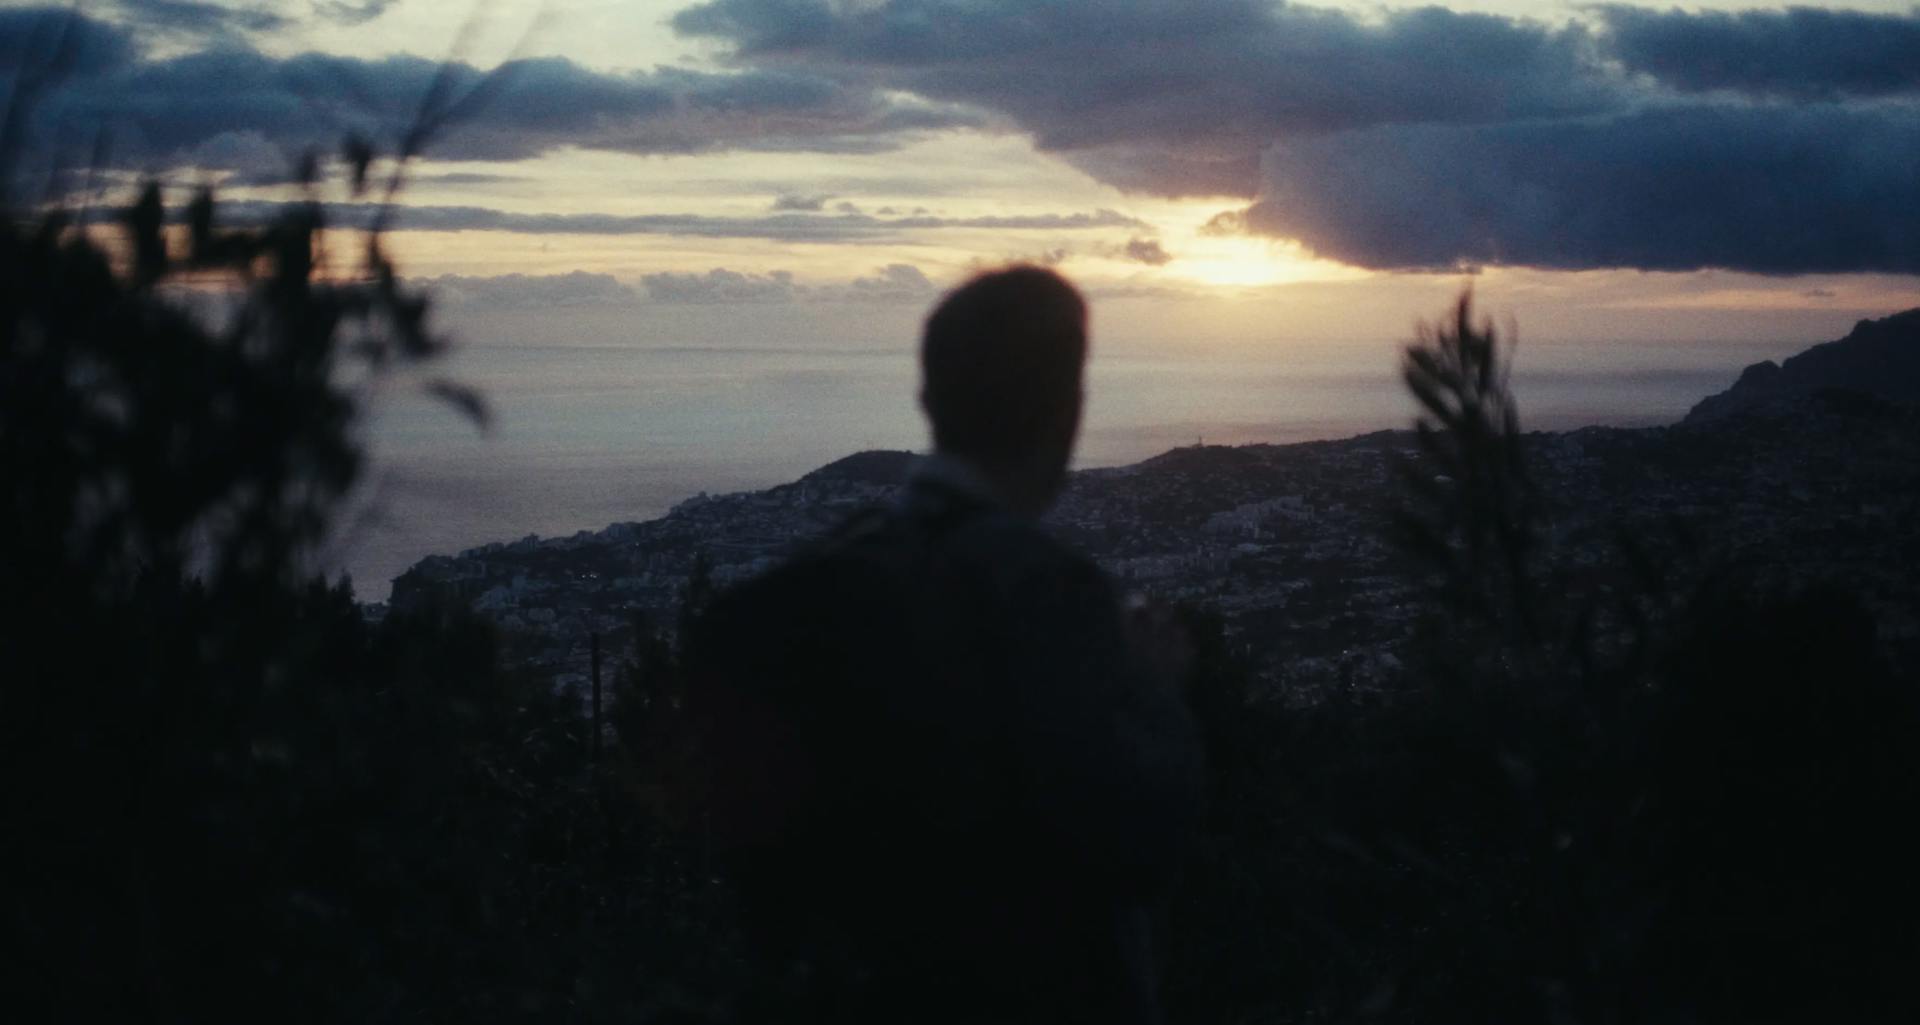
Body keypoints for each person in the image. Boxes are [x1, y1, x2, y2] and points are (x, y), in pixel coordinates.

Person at [688, 266, 1203, 1025]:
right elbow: (1141, 838)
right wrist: (1153, 688)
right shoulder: (1050, 593)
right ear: (1068, 413)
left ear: (929, 401)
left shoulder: (807, 586)